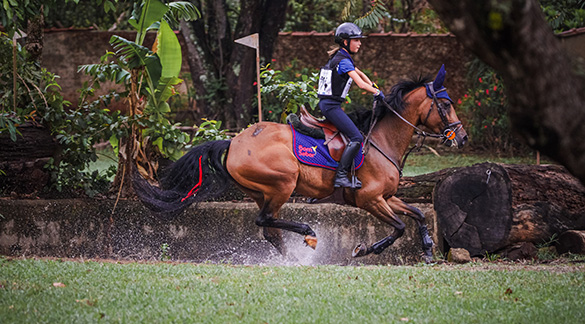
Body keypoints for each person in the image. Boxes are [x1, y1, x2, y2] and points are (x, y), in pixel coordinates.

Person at [317, 22, 384, 189]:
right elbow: (360, 84)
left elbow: (361, 74)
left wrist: (375, 86)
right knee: (357, 137)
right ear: (345, 41)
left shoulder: (342, 57)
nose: (360, 43)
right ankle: (340, 176)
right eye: (356, 40)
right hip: (331, 107)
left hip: (330, 105)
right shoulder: (343, 61)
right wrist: (376, 93)